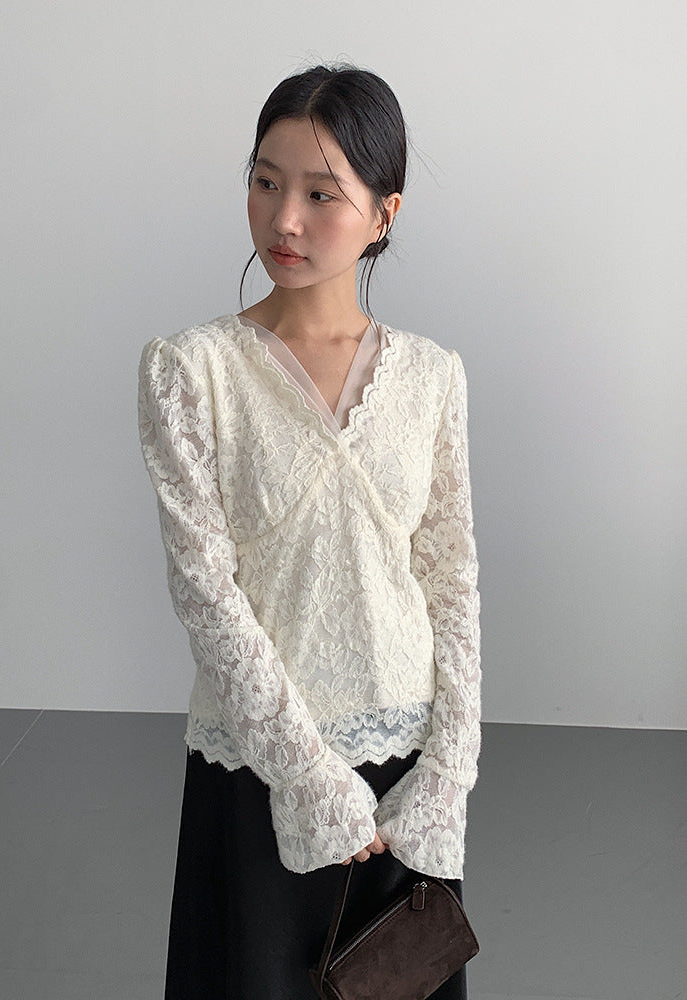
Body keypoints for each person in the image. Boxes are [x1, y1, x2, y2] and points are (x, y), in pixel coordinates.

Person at [138, 63, 481, 1000]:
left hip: (404, 777)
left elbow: (450, 580)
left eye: (322, 194)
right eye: (265, 181)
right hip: (260, 758)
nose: (283, 218)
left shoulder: (432, 377)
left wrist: (448, 772)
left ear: (384, 213)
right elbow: (205, 593)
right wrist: (309, 779)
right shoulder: (192, 371)